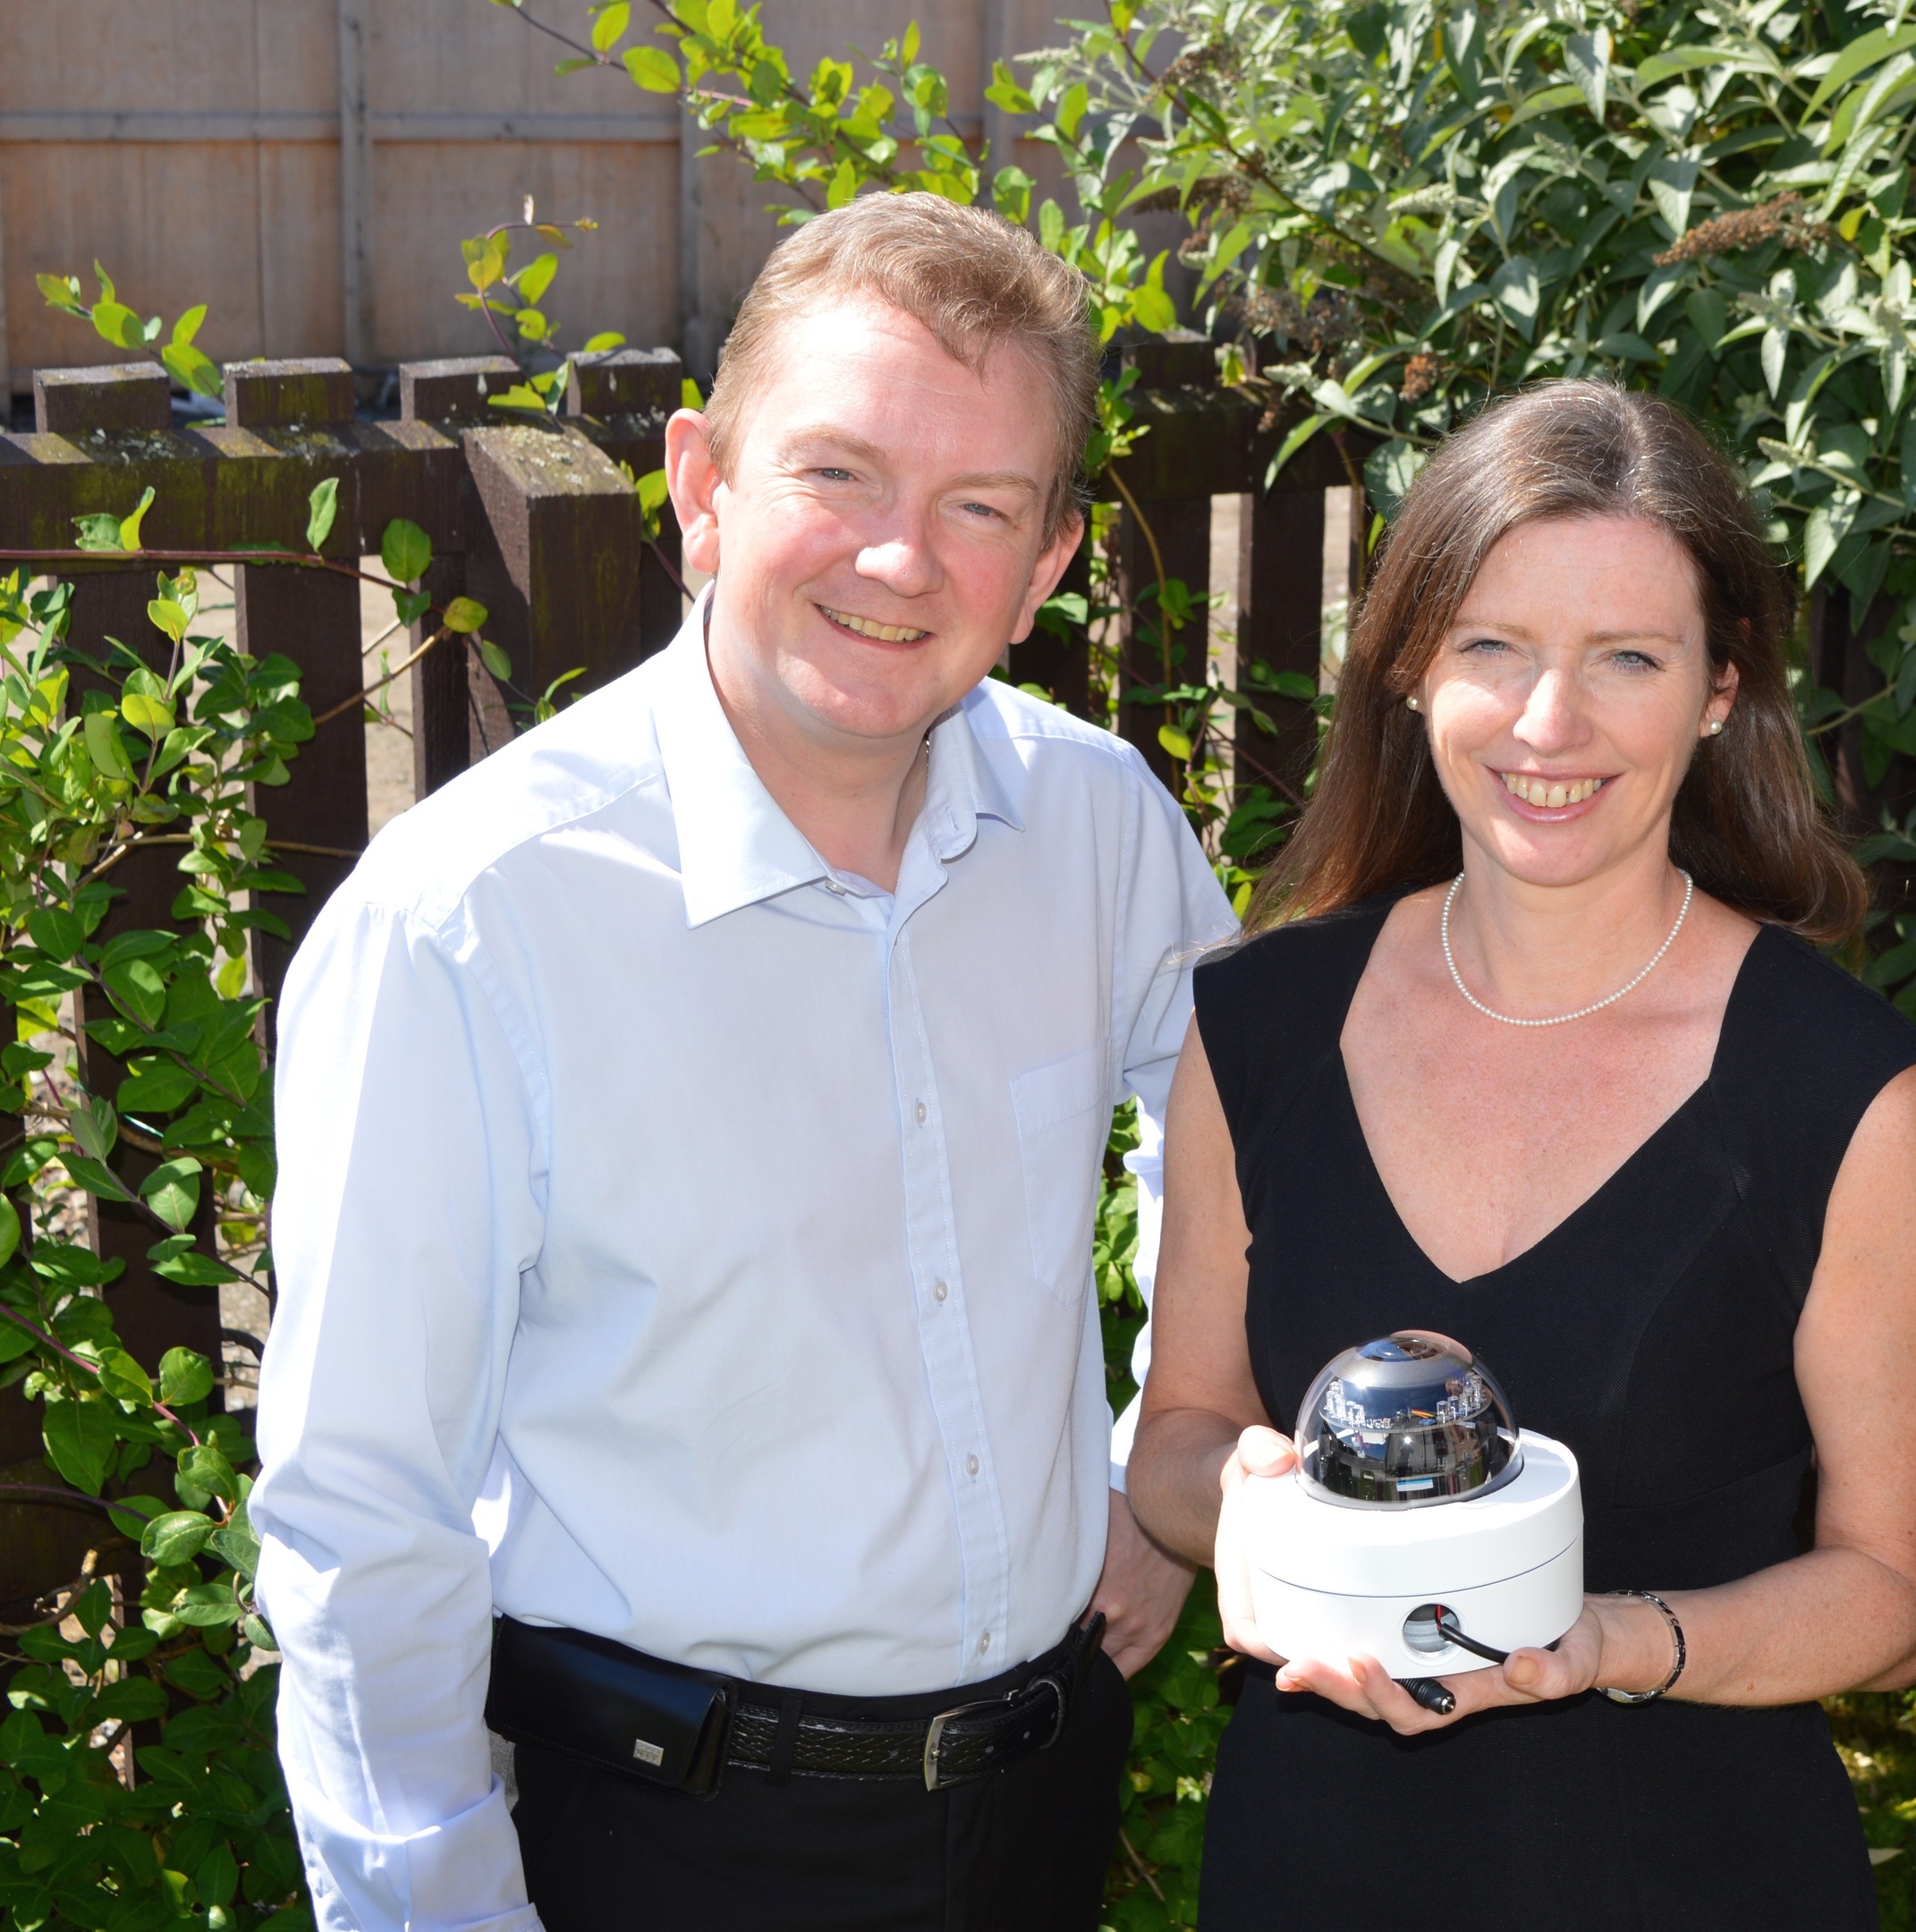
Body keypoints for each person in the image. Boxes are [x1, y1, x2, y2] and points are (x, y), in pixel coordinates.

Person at [250, 192, 1234, 1931]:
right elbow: (361, 1516)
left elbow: (1231, 1136)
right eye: (837, 473)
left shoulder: (1097, 827)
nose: (898, 559)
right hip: (662, 1850)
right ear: (703, 489)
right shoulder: (471, 927)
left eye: (978, 506)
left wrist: (1168, 1455)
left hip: (1039, 1801)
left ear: (1050, 566)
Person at [1123, 381, 1916, 1929]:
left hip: (1683, 1879)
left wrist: (1605, 1643)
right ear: (1407, 668)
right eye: (1492, 649)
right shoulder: (1255, 1028)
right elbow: (1179, 1433)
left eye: (1626, 660)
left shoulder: (1843, 1095)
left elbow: (1900, 1596)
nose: (1546, 724)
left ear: (1721, 691)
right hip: (1310, 1870)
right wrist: (1245, 1504)